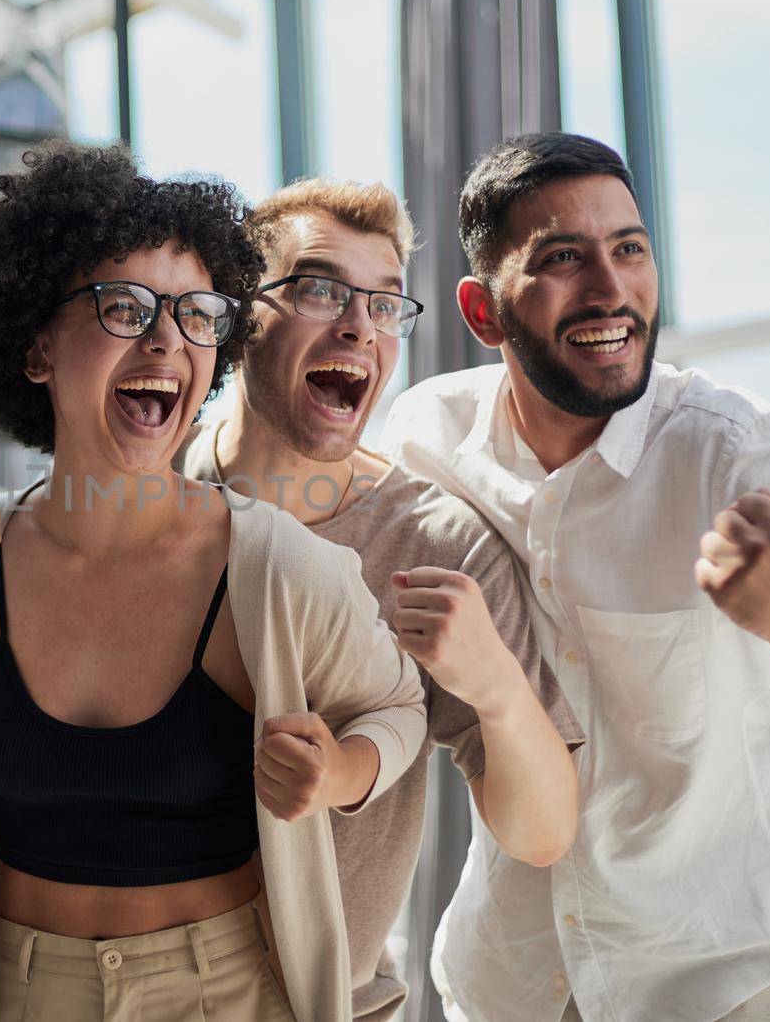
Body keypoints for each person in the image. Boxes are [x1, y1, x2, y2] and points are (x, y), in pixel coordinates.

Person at [381, 132, 770, 1022]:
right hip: (507, 985)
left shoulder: (736, 449)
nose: (611, 290)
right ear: (483, 313)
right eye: (564, 258)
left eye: (629, 249)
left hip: (715, 988)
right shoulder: (425, 439)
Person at [0, 142, 430, 1022]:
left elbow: (402, 706)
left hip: (226, 989)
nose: (165, 340)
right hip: (19, 988)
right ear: (36, 346)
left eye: (195, 313)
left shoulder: (274, 564)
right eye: (125, 306)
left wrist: (341, 771)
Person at [178, 176, 582, 1020]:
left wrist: (499, 687)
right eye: (321, 288)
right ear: (238, 312)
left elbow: (544, 832)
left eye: (385, 303)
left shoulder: (440, 541)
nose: (359, 325)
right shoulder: (154, 486)